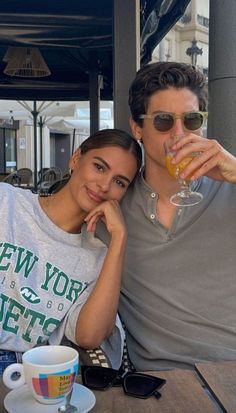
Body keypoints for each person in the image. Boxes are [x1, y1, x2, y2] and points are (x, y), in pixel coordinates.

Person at [117, 61, 236, 371]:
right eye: (163, 121)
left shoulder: (230, 188)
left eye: (192, 120)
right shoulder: (114, 207)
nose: (180, 133)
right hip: (159, 385)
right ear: (137, 128)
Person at [0, 128, 142, 375]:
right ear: (76, 159)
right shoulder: (6, 201)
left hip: (30, 373)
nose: (104, 185)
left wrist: (120, 238)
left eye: (120, 182)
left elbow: (89, 336)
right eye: (99, 167)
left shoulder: (97, 258)